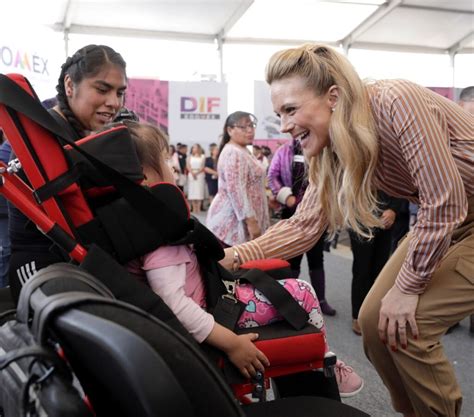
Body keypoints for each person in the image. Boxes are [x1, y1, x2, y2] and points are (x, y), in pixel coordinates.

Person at [220, 44, 473, 417]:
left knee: (411, 325)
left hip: (449, 211)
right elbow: (305, 225)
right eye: (278, 113)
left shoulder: (394, 100)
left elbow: (444, 201)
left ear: (333, 96)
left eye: (291, 109)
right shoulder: (331, 146)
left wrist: (406, 288)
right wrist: (231, 256)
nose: (284, 125)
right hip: (451, 216)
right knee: (373, 323)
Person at [123, 119, 362, 394]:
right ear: (143, 176)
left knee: (278, 284)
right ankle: (322, 359)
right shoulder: (159, 233)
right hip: (215, 310)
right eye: (166, 160)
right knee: (302, 292)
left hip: (213, 294)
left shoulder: (142, 221)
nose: (175, 166)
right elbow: (174, 304)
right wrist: (229, 342)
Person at [8, 44, 127, 302]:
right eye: (102, 89)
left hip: (83, 265)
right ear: (70, 85)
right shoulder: (41, 140)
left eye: (120, 92)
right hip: (40, 267)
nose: (114, 102)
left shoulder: (89, 138)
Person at [267, 137, 336, 316]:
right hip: (291, 213)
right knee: (291, 258)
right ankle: (287, 300)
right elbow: (273, 175)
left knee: (316, 258)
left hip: (317, 213)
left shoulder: (322, 149)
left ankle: (320, 301)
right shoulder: (284, 151)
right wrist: (286, 197)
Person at [206, 112, 270, 246]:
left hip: (241, 221)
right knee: (235, 265)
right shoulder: (233, 153)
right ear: (230, 130)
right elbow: (237, 191)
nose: (250, 130)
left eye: (252, 126)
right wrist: (251, 222)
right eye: (243, 127)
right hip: (233, 224)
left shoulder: (242, 150)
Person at [348, 191, 400, 335]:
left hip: (385, 220)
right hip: (361, 218)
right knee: (362, 269)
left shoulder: (394, 168)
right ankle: (358, 315)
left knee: (379, 271)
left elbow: (403, 185)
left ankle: (372, 314)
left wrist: (394, 210)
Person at [186, 143, 206, 214]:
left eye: (195, 147)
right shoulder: (189, 157)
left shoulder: (203, 157)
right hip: (191, 174)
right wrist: (192, 173)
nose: (194, 149)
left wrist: (197, 173)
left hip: (199, 174)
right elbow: (188, 166)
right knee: (192, 191)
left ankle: (199, 208)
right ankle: (194, 208)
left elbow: (202, 166)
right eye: (193, 148)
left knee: (199, 190)